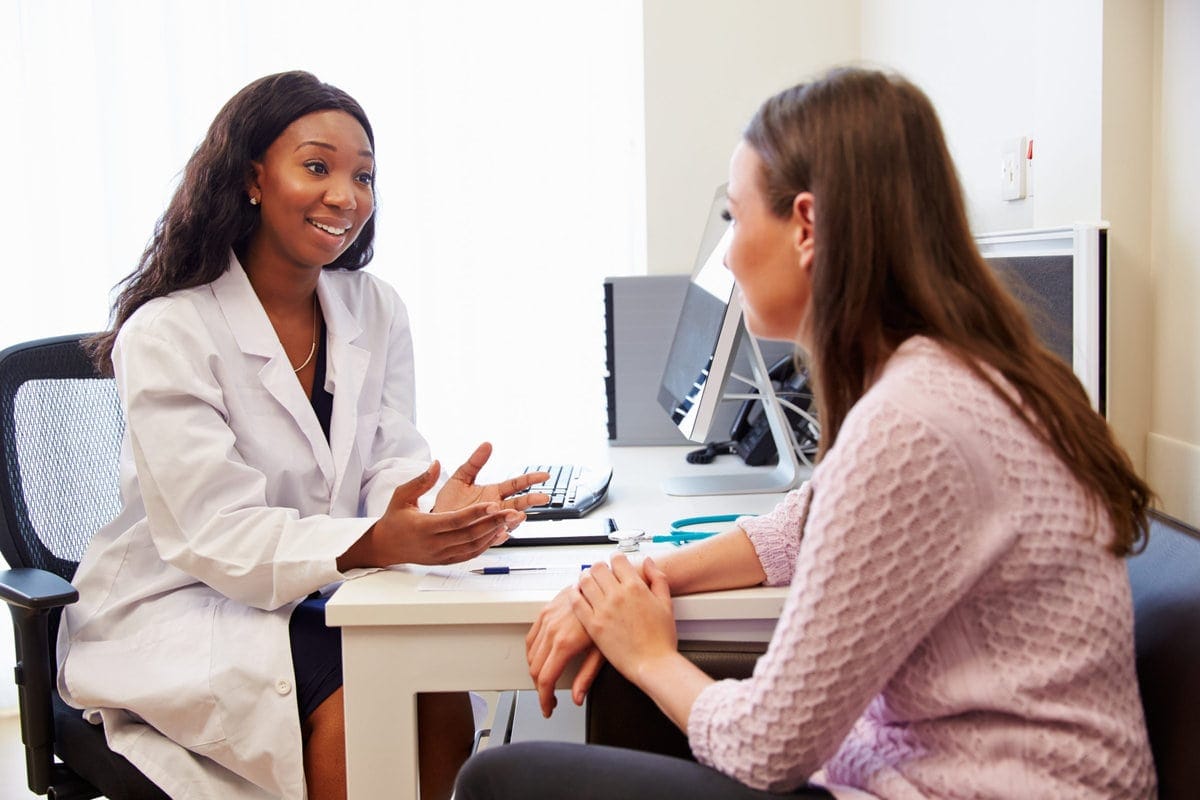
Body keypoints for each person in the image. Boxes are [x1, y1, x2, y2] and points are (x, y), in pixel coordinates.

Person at [455, 67, 1157, 799]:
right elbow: (802, 528)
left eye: (734, 218)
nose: (726, 255)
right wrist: (634, 583)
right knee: (616, 700)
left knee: (502, 779)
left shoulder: (913, 419)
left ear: (807, 226)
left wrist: (647, 649)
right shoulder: (959, 376)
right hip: (955, 772)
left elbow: (766, 748)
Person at [56, 70, 549, 800]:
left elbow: (389, 458)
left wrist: (426, 511)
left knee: (434, 691)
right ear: (253, 177)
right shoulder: (168, 331)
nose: (345, 197)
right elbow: (213, 532)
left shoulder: (373, 308)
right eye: (316, 166)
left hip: (316, 589)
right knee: (356, 699)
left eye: (364, 176)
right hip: (184, 603)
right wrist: (375, 542)